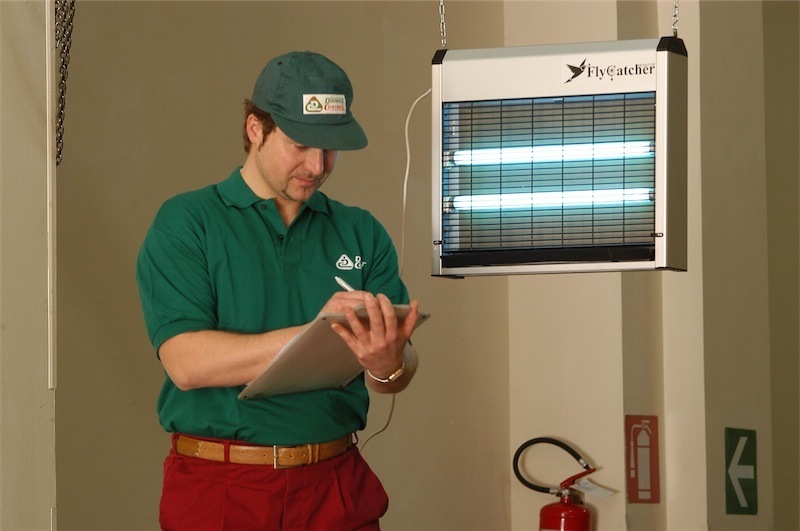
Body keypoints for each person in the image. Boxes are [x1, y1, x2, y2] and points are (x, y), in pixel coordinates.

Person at [136, 50, 420, 530]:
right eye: (300, 144)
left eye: (330, 148)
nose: (317, 165)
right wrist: (319, 332)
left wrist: (386, 364)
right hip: (223, 486)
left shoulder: (361, 231)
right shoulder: (187, 222)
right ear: (255, 129)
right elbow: (186, 363)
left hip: (336, 484)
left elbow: (396, 370)